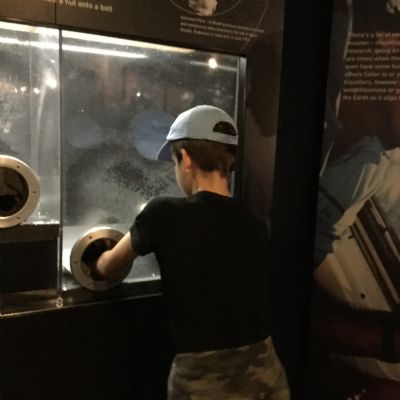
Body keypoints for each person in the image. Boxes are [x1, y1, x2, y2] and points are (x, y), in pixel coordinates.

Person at [87, 105, 290, 399]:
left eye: (173, 162)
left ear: (185, 159)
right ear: (229, 161)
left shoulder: (163, 213)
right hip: (266, 371)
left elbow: (108, 267)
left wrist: (97, 254)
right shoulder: (254, 221)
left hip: (204, 377)